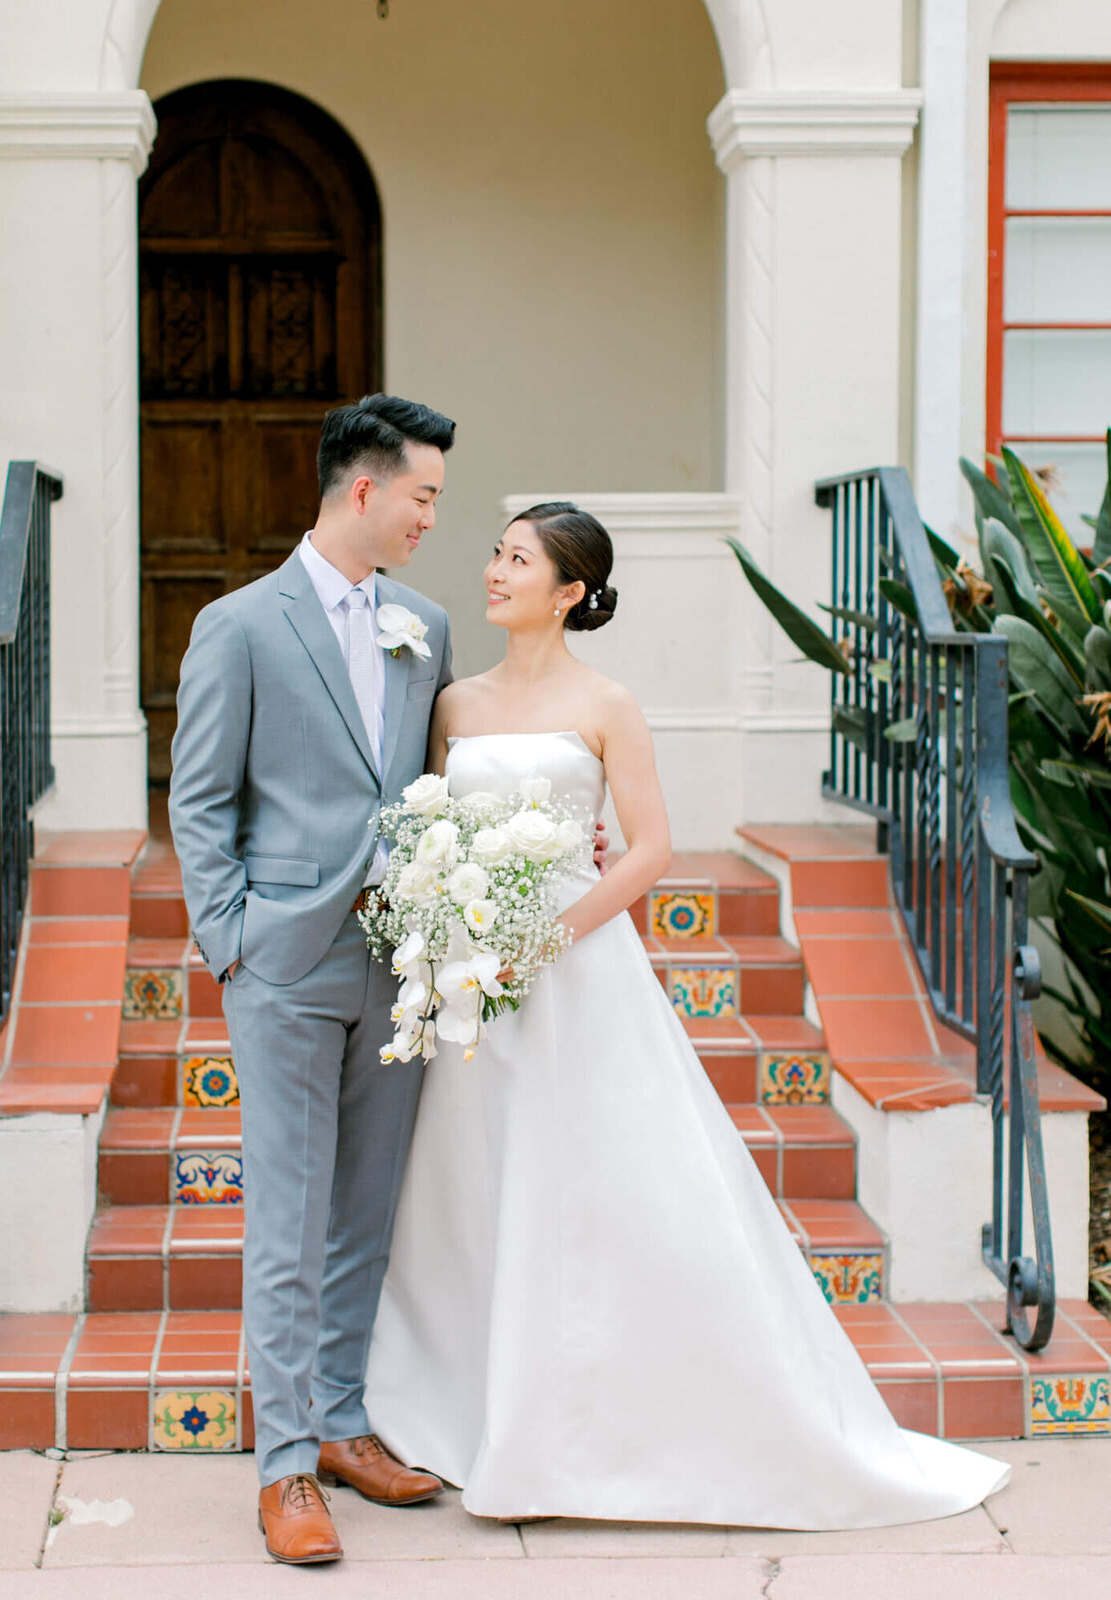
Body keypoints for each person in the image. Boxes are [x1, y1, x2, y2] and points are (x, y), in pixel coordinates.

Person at [364, 501, 1012, 1529]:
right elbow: (431, 825)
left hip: (575, 971)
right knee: (476, 1186)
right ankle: (475, 1401)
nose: (493, 571)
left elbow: (651, 847)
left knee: (599, 1184)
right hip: (474, 984)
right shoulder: (456, 705)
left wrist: (548, 935)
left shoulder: (609, 702)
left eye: (517, 559)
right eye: (495, 552)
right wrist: (453, 926)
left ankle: (620, 1422)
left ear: (570, 590)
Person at [168, 395, 458, 1564]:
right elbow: (198, 799)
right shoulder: (238, 626)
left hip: (397, 960)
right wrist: (231, 937)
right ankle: (283, 1465)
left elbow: (443, 772)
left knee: (364, 1210)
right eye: (425, 496)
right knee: (286, 1218)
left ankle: (341, 1421)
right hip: (283, 963)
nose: (435, 516)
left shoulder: (427, 623)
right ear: (363, 490)